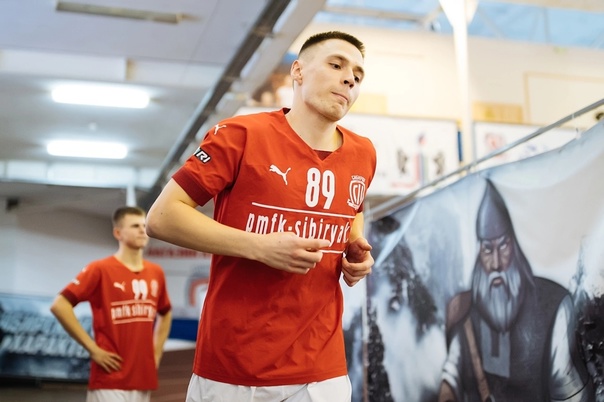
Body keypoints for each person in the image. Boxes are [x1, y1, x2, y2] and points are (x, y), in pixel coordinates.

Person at [145, 30, 376, 401]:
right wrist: (260, 247)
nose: (350, 78)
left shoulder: (363, 153)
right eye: (336, 65)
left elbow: (354, 210)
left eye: (358, 75)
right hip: (233, 367)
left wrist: (354, 246)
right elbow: (162, 217)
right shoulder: (240, 135)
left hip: (322, 371)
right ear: (298, 71)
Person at [438, 180, 593, 402]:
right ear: (479, 254)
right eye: (487, 250)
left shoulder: (553, 306)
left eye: (503, 246)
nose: (496, 263)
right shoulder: (464, 312)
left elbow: (570, 394)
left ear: (514, 246)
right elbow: (450, 378)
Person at [50, 206, 173, 402]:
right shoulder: (100, 269)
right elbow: (59, 305)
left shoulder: (155, 272)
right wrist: (93, 349)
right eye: (135, 226)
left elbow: (165, 312)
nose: (142, 230)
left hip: (143, 376)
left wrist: (156, 354)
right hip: (110, 376)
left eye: (144, 225)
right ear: (118, 233)